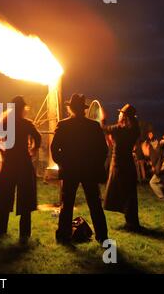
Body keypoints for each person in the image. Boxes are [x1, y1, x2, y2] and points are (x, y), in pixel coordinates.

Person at [51, 94, 109, 244]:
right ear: (83, 109)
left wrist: (62, 163)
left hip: (70, 170)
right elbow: (103, 150)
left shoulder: (63, 125)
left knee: (67, 204)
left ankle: (64, 235)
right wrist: (96, 165)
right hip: (89, 170)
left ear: (70, 108)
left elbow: (54, 148)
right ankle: (102, 236)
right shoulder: (93, 126)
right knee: (95, 204)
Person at [0, 96, 41, 243]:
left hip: (10, 163)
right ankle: (24, 234)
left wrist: (2, 149)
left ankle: (1, 231)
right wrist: (33, 150)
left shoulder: (6, 123)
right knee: (26, 199)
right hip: (24, 162)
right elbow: (38, 137)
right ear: (22, 108)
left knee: (4, 197)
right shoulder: (27, 123)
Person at [101, 103, 141, 231]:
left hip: (119, 165)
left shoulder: (120, 129)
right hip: (128, 164)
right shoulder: (134, 129)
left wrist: (102, 118)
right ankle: (132, 222)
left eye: (120, 113)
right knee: (129, 194)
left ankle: (131, 224)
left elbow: (103, 128)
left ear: (124, 116)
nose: (118, 114)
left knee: (123, 194)